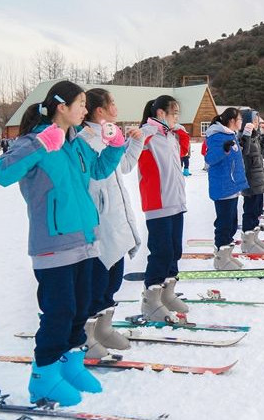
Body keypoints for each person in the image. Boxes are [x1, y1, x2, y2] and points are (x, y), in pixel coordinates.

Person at [0, 80, 125, 406]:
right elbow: (1, 173)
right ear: (61, 107)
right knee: (59, 312)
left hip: (85, 240)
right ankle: (44, 376)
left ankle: (71, 364)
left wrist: (117, 145)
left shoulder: (75, 142)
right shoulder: (33, 141)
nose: (84, 109)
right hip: (52, 244)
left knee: (81, 307)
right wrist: (40, 144)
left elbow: (97, 169)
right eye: (80, 103)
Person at [81, 88, 162, 359]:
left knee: (113, 277)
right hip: (98, 219)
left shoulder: (110, 133)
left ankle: (104, 327)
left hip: (116, 215)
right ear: (99, 110)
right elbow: (92, 177)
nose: (116, 106)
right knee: (97, 278)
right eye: (111, 102)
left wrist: (135, 142)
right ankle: (87, 333)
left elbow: (124, 166)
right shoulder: (85, 139)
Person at [137, 95, 189, 321]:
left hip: (175, 200)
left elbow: (184, 151)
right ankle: (151, 298)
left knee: (175, 250)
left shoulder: (170, 135)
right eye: (174, 113)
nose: (177, 118)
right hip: (158, 202)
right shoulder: (147, 134)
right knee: (161, 251)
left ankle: (167, 292)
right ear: (160, 114)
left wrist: (180, 130)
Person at [205, 107, 249, 268]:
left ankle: (226, 254)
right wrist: (224, 149)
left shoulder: (231, 135)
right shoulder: (217, 135)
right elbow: (210, 158)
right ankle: (221, 258)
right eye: (239, 119)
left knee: (231, 223)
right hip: (223, 186)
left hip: (232, 186)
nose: (241, 122)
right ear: (232, 120)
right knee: (224, 224)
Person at [239, 109, 264, 253]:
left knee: (257, 210)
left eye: (257, 120)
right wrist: (245, 135)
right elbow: (244, 152)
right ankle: (247, 240)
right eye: (254, 120)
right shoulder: (242, 136)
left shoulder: (254, 137)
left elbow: (260, 152)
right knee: (250, 210)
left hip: (259, 178)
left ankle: (254, 237)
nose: (257, 123)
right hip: (250, 179)